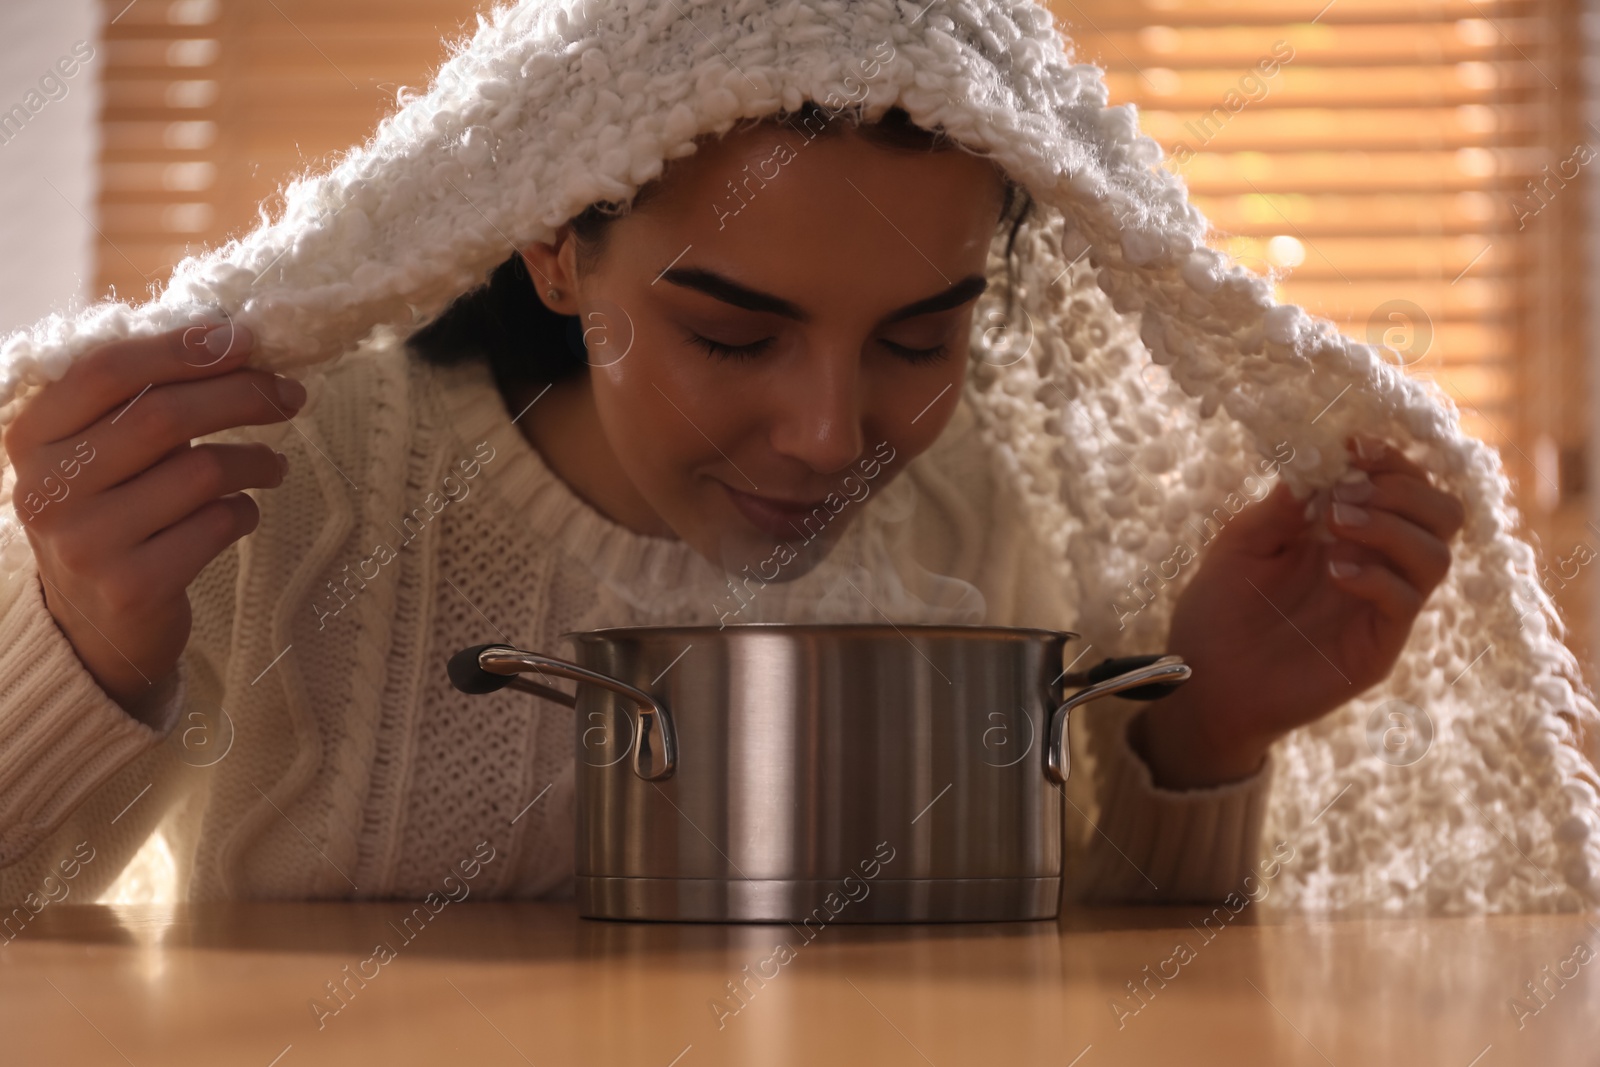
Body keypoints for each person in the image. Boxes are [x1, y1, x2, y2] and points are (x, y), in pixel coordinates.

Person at [0, 0, 1590, 913]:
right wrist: (86, 647)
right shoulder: (283, 477)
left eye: (919, 339)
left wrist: (1203, 733)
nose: (835, 438)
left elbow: (1077, 992)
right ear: (555, 245)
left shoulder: (978, 512)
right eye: (732, 335)